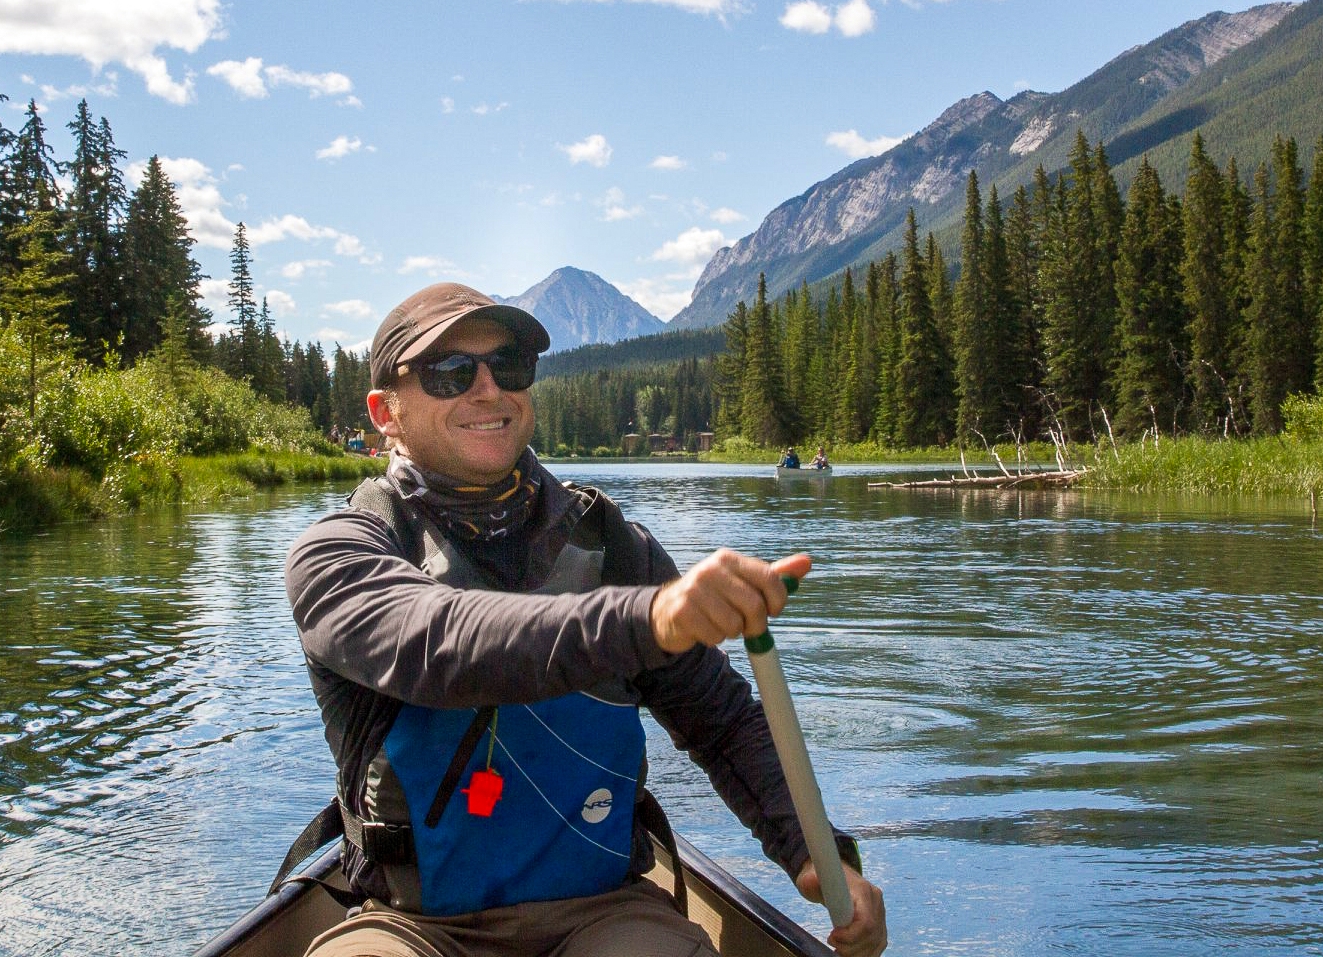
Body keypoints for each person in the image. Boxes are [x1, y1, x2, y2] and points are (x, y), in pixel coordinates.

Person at [285, 282, 886, 957]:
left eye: (507, 366)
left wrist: (809, 848)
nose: (487, 389)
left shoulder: (613, 545)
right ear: (384, 412)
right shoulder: (338, 551)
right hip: (412, 922)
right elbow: (440, 642)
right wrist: (648, 615)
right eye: (449, 372)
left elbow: (719, 720)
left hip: (605, 913)